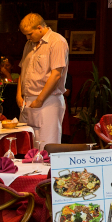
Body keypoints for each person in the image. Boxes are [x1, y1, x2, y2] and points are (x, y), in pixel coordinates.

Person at [16, 13, 69, 145]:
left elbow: (56, 74)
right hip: (26, 100)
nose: (27, 38)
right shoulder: (29, 44)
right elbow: (23, 70)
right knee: (27, 146)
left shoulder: (57, 41)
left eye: (29, 34)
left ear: (40, 28)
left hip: (47, 100)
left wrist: (40, 100)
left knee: (45, 145)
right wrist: (19, 95)